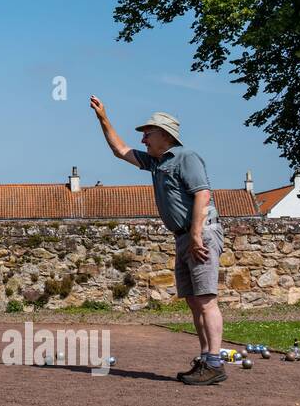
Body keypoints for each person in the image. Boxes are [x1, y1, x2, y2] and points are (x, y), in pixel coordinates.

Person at [91, 98, 227, 385]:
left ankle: (215, 362)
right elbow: (120, 150)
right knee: (193, 300)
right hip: (184, 236)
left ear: (165, 135)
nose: (143, 139)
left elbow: (203, 194)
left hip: (200, 233)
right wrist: (103, 117)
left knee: (205, 299)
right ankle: (206, 359)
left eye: (147, 134)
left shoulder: (186, 157)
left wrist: (195, 235)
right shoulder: (156, 162)